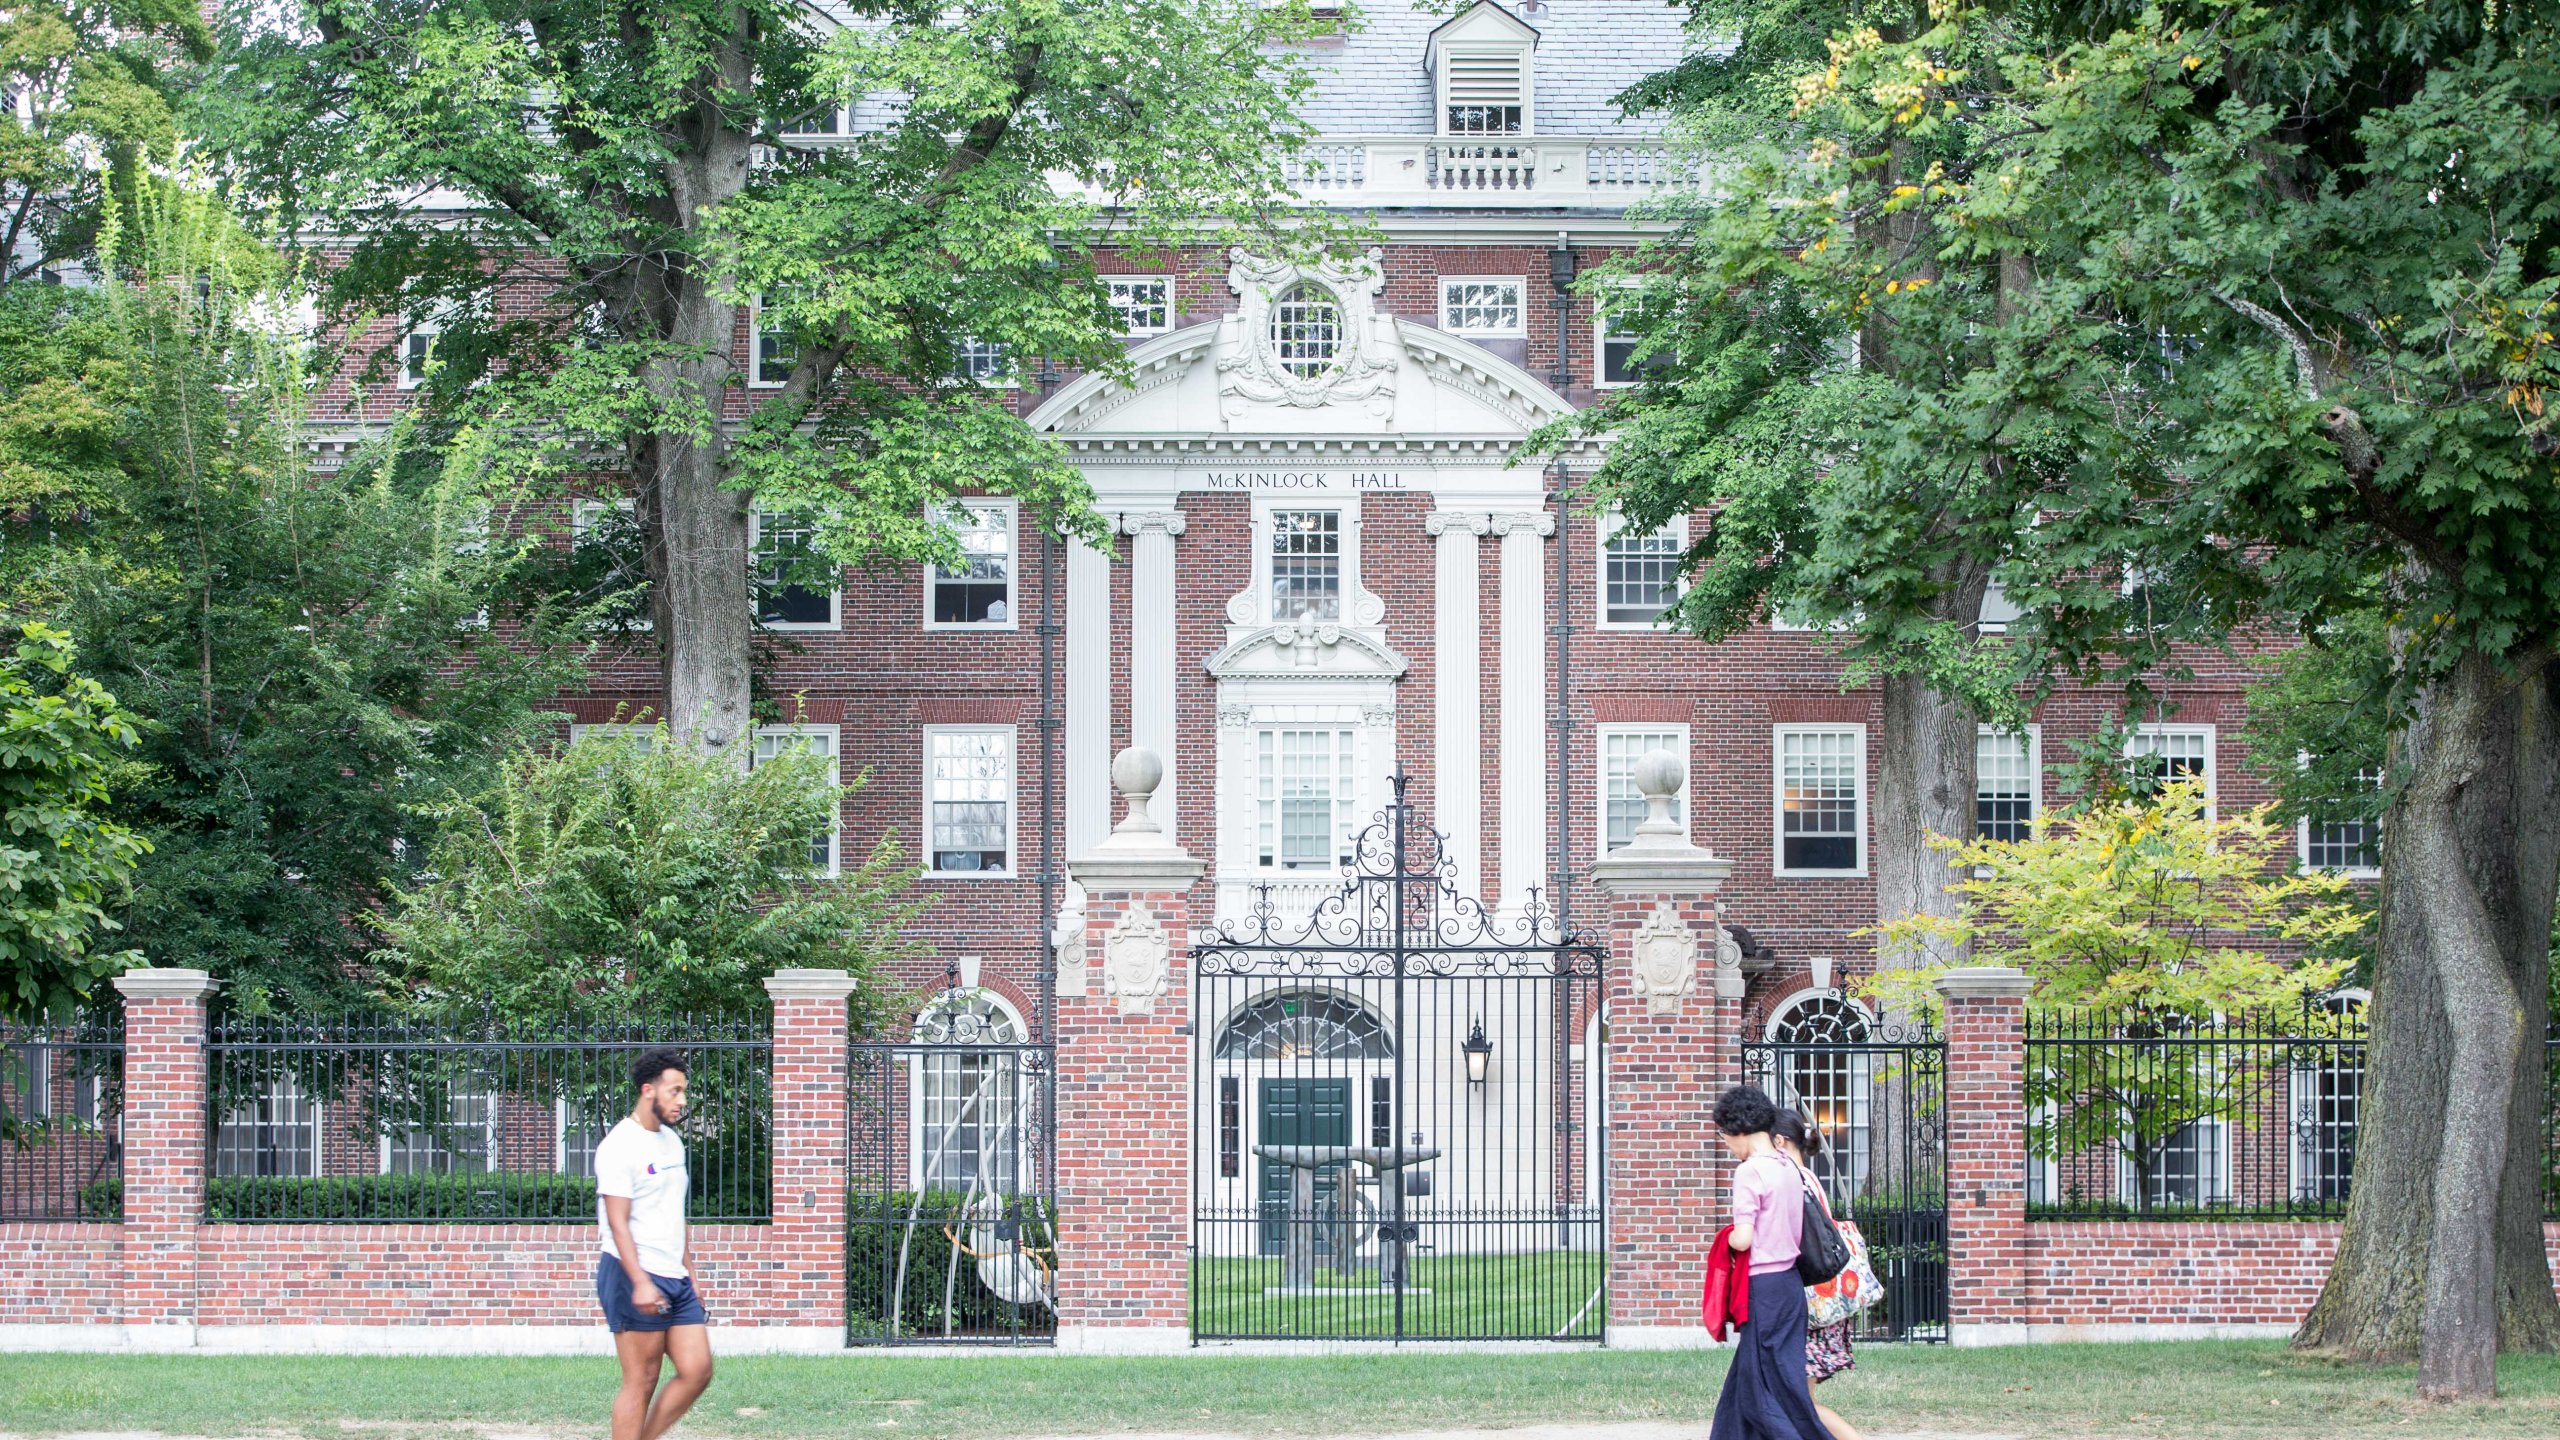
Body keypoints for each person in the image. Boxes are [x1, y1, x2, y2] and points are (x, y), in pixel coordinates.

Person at [595, 1049, 712, 1440]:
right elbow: (617, 1221)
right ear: (649, 1091)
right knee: (641, 1380)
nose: (682, 1100)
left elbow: (673, 1214)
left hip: (674, 1276)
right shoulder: (620, 1145)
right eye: (674, 1091)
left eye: (684, 1091)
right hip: (633, 1274)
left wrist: (690, 1275)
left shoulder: (671, 1143)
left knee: (697, 1370)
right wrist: (641, 1281)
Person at [1708, 1083, 1835, 1440]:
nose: (1725, 1143)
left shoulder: (1749, 1171)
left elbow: (1744, 1238)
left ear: (1740, 1130)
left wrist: (1727, 1237)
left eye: (1724, 1134)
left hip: (1762, 1287)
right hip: (1790, 1287)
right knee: (1771, 1379)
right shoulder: (1787, 1166)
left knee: (1760, 1389)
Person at [1775, 1108, 1864, 1440]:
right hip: (1822, 1306)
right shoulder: (1809, 1177)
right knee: (1797, 1403)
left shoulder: (1794, 1179)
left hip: (1813, 1307)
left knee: (1803, 1405)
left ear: (1780, 1141)